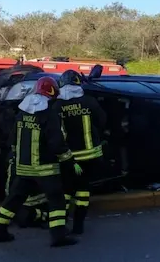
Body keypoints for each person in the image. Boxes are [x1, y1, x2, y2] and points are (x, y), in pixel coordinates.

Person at [0, 76, 78, 247]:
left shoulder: (22, 113)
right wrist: (69, 160)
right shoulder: (48, 114)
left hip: (23, 168)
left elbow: (13, 139)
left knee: (13, 200)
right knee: (57, 200)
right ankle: (58, 236)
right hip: (45, 169)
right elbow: (56, 142)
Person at [55, 70, 107, 235]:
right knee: (83, 190)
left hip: (67, 158)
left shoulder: (57, 105)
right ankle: (78, 226)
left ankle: (60, 226)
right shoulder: (89, 102)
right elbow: (102, 121)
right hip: (90, 156)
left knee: (66, 191)